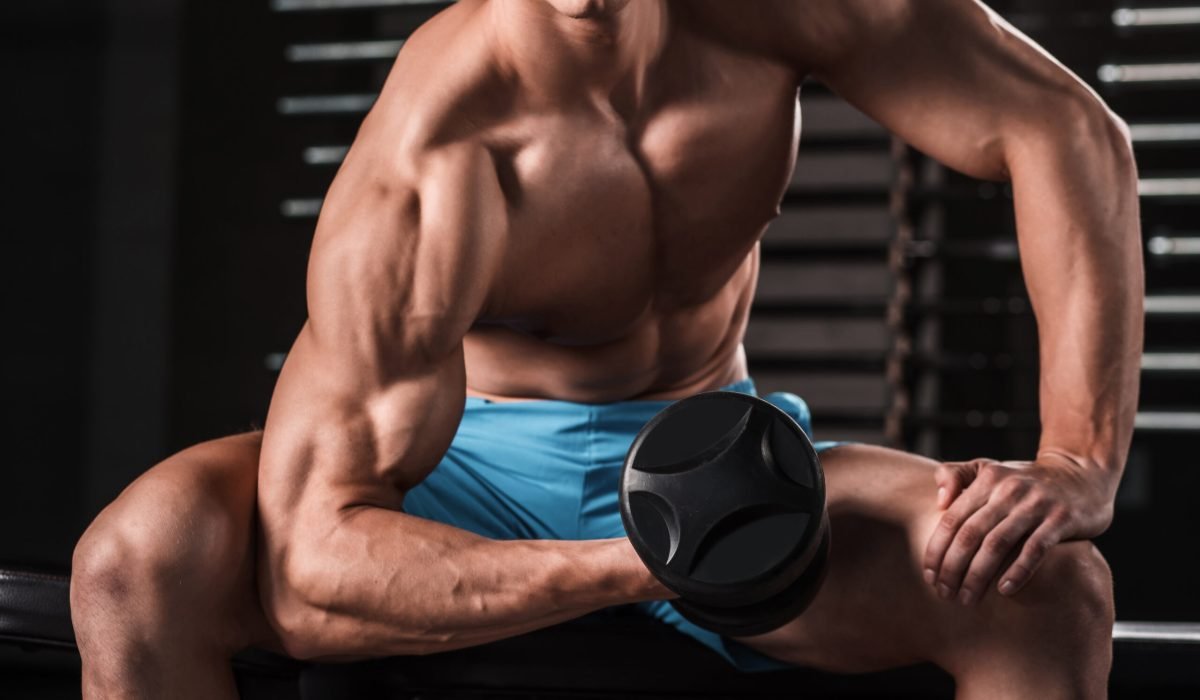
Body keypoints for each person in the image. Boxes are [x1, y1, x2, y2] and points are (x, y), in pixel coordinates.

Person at [69, 0, 1143, 698]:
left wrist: (1078, 456)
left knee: (1046, 588)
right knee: (140, 557)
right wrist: (649, 563)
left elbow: (1064, 131)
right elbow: (311, 569)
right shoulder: (443, 151)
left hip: (713, 448)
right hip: (459, 469)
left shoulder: (786, 15)